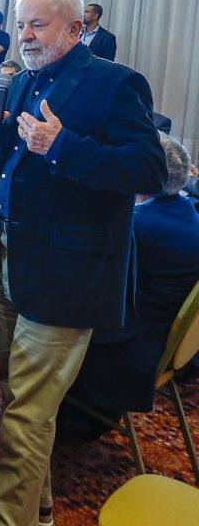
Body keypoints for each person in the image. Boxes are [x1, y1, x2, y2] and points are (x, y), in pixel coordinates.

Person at [0, 0, 167, 526]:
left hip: (65, 277)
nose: (25, 35)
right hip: (13, 260)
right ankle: (39, 505)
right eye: (21, 24)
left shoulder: (115, 84)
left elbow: (149, 171)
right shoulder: (23, 81)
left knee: (27, 413)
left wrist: (63, 147)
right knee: (17, 398)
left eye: (38, 24)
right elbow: (11, 162)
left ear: (75, 28)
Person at [61, 133, 199, 438]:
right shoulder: (188, 214)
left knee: (45, 312)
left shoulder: (137, 227)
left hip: (127, 354)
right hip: (160, 343)